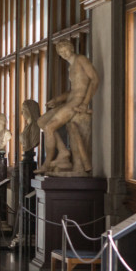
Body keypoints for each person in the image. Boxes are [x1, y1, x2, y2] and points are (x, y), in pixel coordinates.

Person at [36, 40, 99, 175]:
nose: (64, 54)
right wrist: (57, 99)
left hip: (76, 103)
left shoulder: (81, 59)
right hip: (70, 101)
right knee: (41, 121)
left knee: (49, 127)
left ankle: (47, 164)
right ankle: (63, 151)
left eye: (65, 50)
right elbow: (74, 90)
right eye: (61, 52)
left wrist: (84, 103)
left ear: (71, 48)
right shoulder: (71, 67)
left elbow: (95, 79)